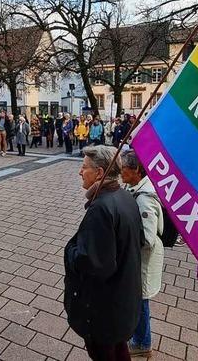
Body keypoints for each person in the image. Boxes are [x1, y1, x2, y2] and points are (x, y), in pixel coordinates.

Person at [64, 145, 141, 360]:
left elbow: (94, 264)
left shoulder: (101, 207)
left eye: (84, 167)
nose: (80, 171)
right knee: (119, 349)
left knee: (103, 353)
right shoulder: (124, 196)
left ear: (99, 173)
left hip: (103, 310)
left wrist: (70, 250)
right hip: (122, 301)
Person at [121, 150, 163, 358]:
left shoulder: (145, 198)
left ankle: (143, 343)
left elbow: (147, 239)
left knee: (141, 301)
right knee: (138, 299)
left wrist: (121, 241)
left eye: (124, 169)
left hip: (142, 260)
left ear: (136, 170)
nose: (121, 173)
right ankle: (139, 338)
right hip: (136, 259)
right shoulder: (136, 186)